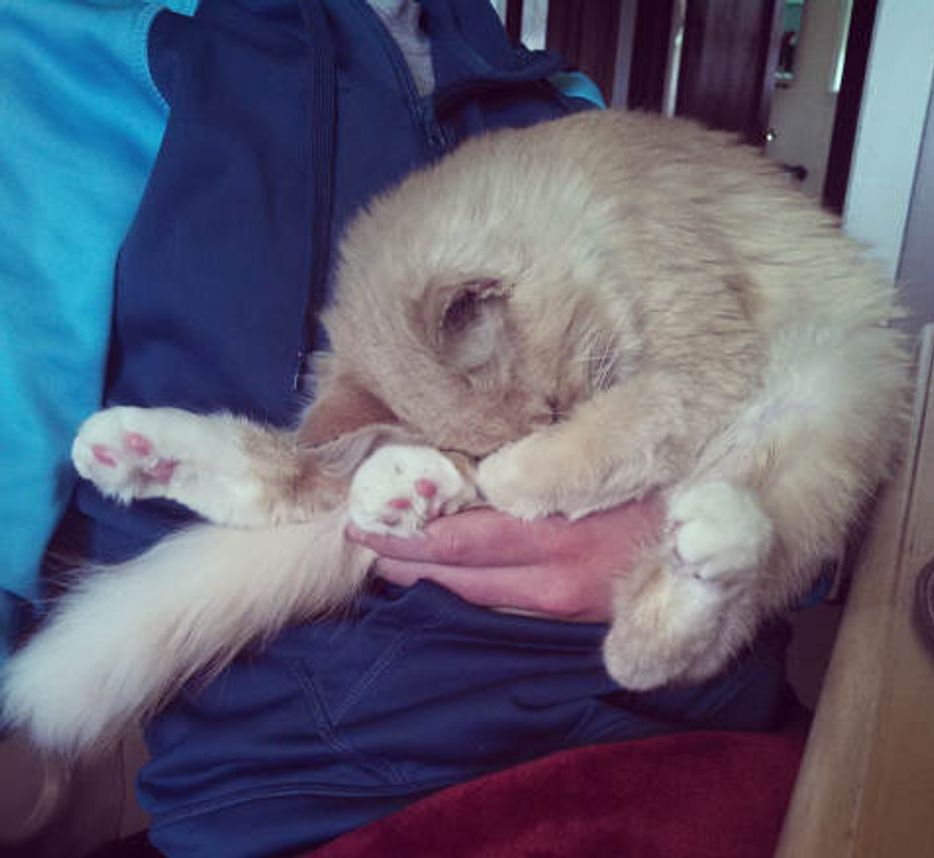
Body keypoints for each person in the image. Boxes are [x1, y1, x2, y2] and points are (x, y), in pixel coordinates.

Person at [5, 2, 795, 854]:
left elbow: (773, 373)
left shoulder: (556, 90)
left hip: (711, 689)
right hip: (364, 779)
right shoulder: (88, 48)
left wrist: (731, 542)